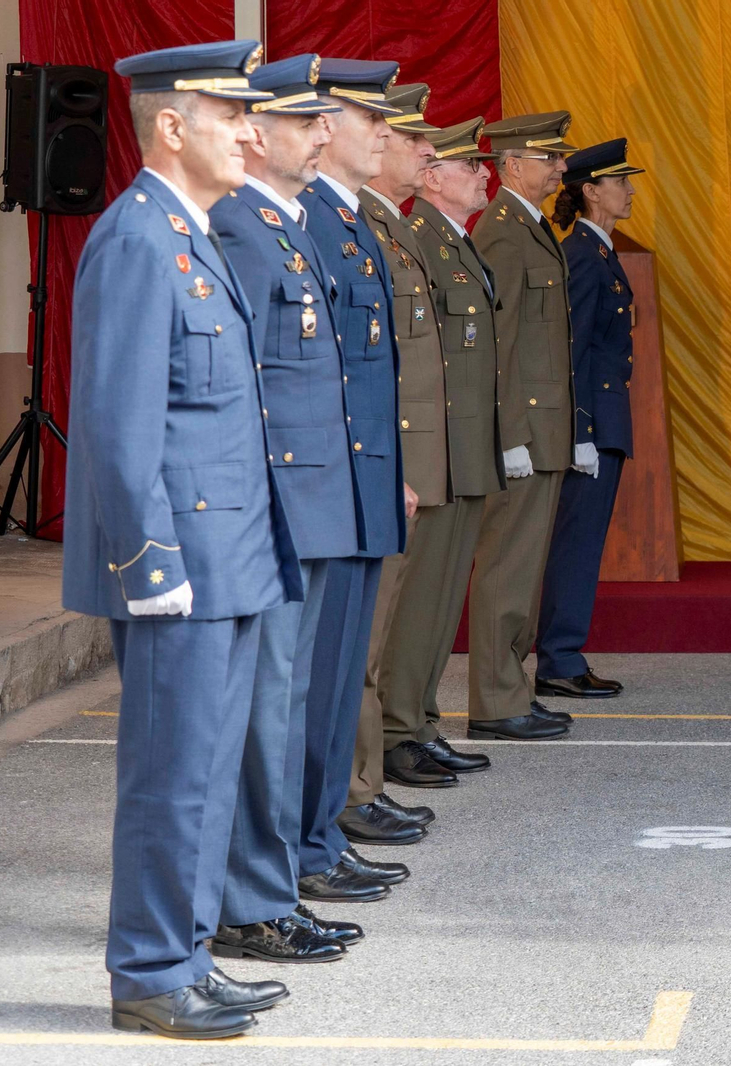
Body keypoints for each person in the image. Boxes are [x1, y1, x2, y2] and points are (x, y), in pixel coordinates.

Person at [64, 39, 299, 1039]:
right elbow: (120, 427)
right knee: (171, 774)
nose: (252, 131)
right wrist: (145, 562)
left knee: (206, 772)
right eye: (231, 114)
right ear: (171, 125)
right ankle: (152, 969)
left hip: (232, 559)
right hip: (183, 566)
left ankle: (189, 956)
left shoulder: (192, 232)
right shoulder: (136, 238)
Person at [207, 53, 393, 969]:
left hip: (317, 494)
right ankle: (256, 896)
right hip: (282, 502)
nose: (324, 133)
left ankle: (273, 884)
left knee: (290, 704)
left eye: (326, 121)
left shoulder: (286, 227)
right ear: (256, 134)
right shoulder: (243, 226)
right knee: (270, 712)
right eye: (305, 121)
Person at [349, 93, 511, 794]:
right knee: (388, 620)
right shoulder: (372, 227)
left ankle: (409, 725)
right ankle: (385, 746)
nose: (424, 150)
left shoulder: (400, 232)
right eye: (407, 137)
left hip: (434, 450)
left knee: (430, 603)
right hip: (405, 456)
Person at [292, 60, 428, 898]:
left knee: (339, 676)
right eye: (365, 116)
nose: (384, 131)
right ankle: (304, 846)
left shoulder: (349, 223)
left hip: (364, 482)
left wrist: (395, 473)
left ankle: (317, 837)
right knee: (316, 680)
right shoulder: (305, 220)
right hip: (328, 490)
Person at [467, 112, 582, 739]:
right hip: (525, 431)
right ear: (512, 164)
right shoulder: (504, 234)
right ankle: (494, 700)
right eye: (550, 157)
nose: (561, 168)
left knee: (524, 567)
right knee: (506, 567)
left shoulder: (528, 228)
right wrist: (509, 434)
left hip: (544, 429)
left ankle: (511, 685)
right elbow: (500, 345)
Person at [535, 139, 645, 698]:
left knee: (583, 541)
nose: (630, 190)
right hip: (591, 425)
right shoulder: (581, 255)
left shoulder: (600, 250)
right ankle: (558, 658)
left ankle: (562, 654)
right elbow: (570, 351)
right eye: (621, 182)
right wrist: (578, 431)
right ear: (591, 190)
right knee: (576, 543)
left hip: (604, 420)